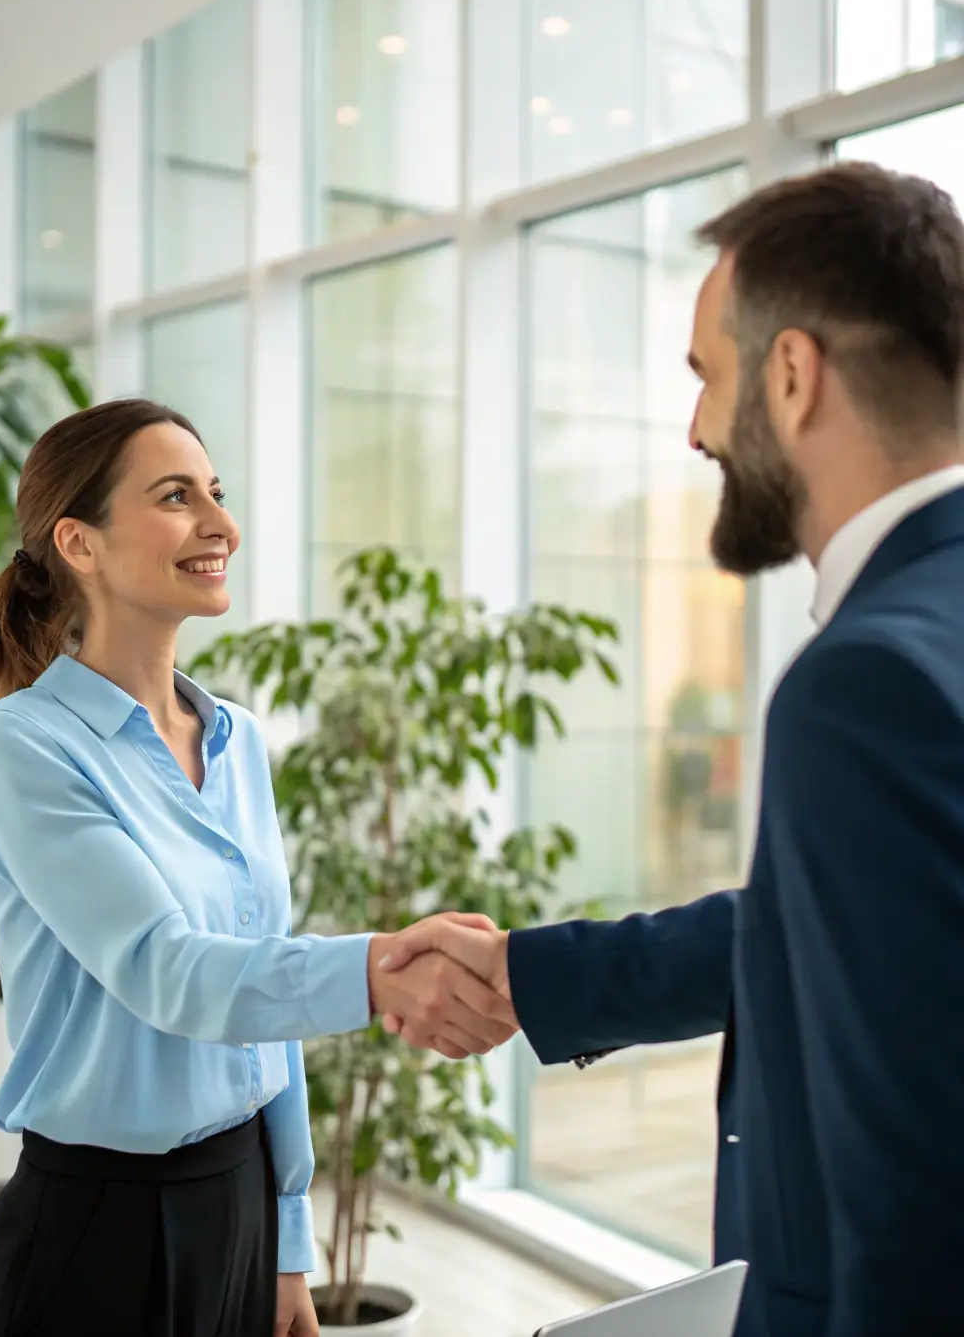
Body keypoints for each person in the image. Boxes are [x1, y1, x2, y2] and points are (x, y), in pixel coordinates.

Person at [380, 161, 964, 1337]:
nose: (696, 428)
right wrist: (547, 977)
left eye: (707, 377)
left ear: (792, 376)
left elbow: (913, 1209)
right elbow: (873, 932)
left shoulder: (865, 685)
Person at [0, 398, 516, 1337]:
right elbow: (171, 970)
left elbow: (266, 997)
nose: (223, 525)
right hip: (99, 1227)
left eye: (217, 492)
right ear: (79, 544)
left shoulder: (235, 738)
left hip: (242, 1202)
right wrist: (378, 969)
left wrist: (289, 1235)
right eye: (177, 497)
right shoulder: (21, 749)